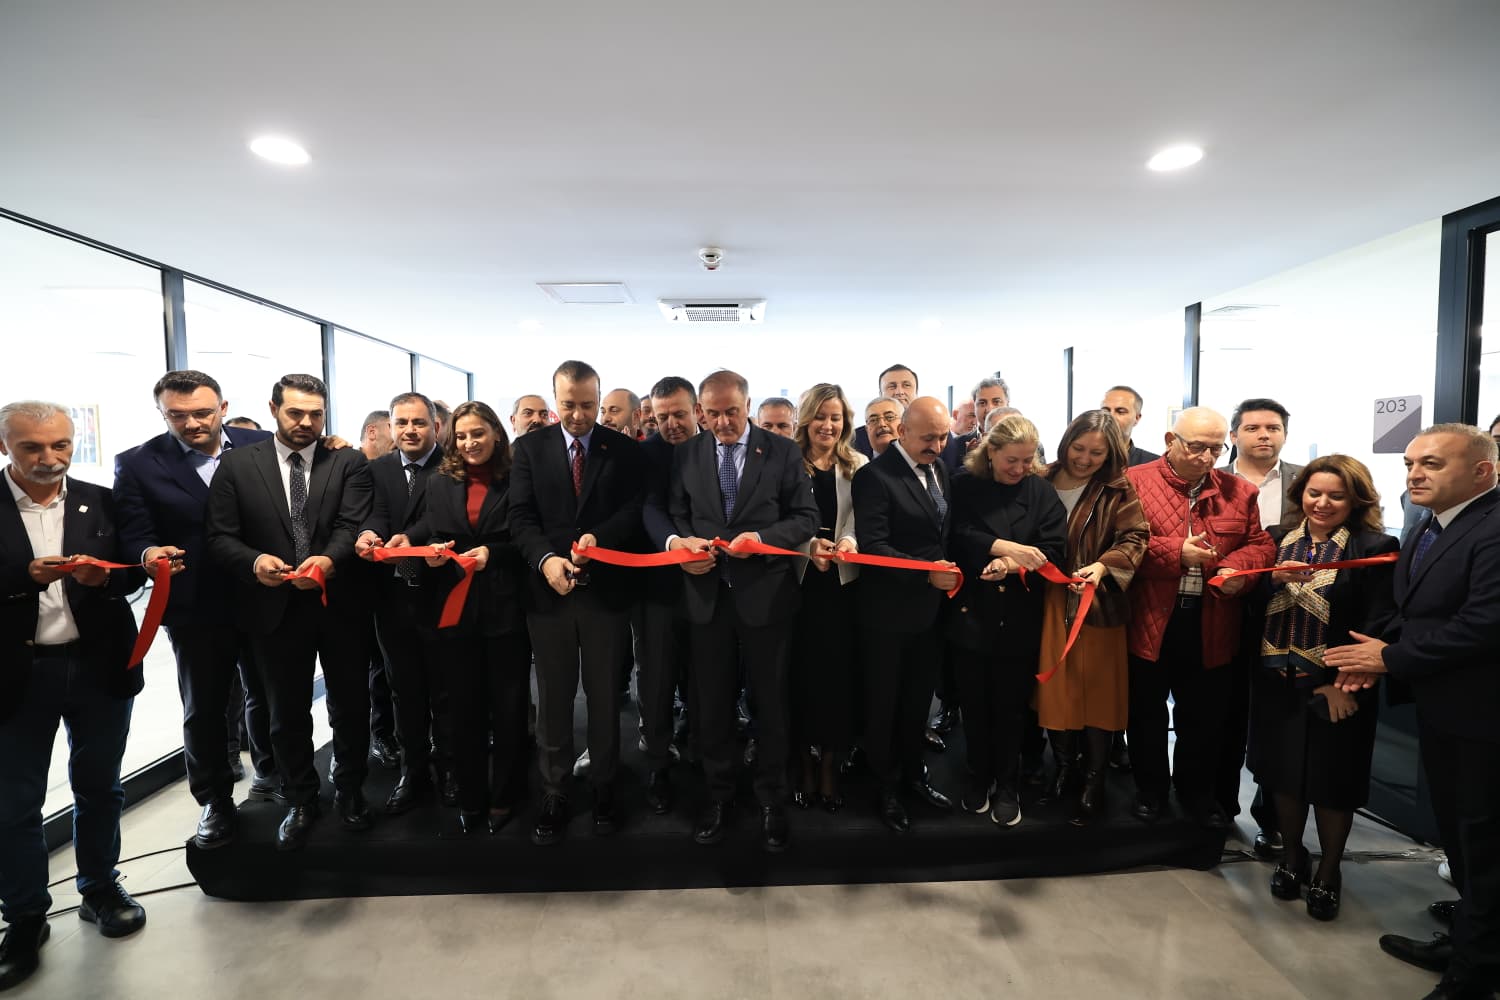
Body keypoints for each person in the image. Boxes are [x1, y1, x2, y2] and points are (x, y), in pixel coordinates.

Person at [1328, 424, 1500, 996]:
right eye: (1409, 463)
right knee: (1461, 836)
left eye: (1432, 463)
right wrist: (1374, 655)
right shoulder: (1431, 522)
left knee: (1482, 841)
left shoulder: (1494, 526)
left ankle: (1474, 975)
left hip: (1482, 715)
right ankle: (1471, 940)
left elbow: (1484, 624)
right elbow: (1416, 610)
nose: (1415, 474)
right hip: (1443, 707)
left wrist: (1390, 658)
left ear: (1482, 471)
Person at [0, 402, 150, 990]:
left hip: (97, 665)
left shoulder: (102, 500)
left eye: (60, 444)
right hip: (17, 673)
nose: (49, 458)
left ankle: (100, 889)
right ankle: (24, 917)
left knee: (99, 785)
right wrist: (23, 579)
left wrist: (107, 577)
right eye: (33, 447)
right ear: (5, 445)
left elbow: (133, 571)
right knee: (14, 802)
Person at [204, 374, 374, 850]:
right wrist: (255, 561)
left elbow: (351, 524)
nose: (305, 422)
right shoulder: (238, 465)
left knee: (350, 704)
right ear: (274, 409)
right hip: (272, 605)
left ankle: (351, 788)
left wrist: (327, 561)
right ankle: (300, 798)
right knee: (285, 711)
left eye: (315, 414)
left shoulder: (347, 461)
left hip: (337, 602)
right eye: (295, 412)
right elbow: (219, 535)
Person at [112, 370, 275, 849]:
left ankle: (275, 777)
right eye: (177, 415)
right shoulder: (137, 464)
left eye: (202, 413)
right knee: (204, 708)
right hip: (195, 604)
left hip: (264, 594)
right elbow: (133, 533)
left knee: (272, 695)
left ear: (223, 408)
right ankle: (214, 801)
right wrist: (148, 554)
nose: (192, 424)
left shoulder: (263, 444)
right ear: (161, 413)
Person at [667, 370, 817, 851]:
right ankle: (719, 795)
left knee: (770, 702)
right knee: (711, 703)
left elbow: (806, 518)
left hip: (767, 597)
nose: (722, 422)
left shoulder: (782, 451)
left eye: (731, 411)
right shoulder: (687, 453)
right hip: (707, 596)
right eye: (712, 414)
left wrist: (764, 539)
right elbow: (677, 513)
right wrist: (683, 542)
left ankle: (772, 798)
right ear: (701, 412)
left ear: (748, 406)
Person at [1245, 455, 1397, 921]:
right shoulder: (1275, 540)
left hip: (1336, 686)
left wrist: (1341, 685)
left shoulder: (1375, 547)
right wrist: (1272, 580)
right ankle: (1293, 858)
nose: (1323, 503)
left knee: (1333, 784)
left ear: (1356, 500)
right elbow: (1248, 605)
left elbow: (1377, 623)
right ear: (1301, 494)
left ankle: (1329, 871)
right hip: (1276, 683)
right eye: (1315, 493)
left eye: (1336, 495)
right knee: (1283, 777)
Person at [509, 360, 646, 845]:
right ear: (555, 400)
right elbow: (520, 517)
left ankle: (605, 784)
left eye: (588, 405)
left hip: (606, 592)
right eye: (569, 405)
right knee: (554, 696)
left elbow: (634, 510)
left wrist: (599, 540)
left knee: (605, 696)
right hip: (548, 593)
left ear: (600, 398)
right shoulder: (529, 449)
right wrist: (546, 560)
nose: (579, 415)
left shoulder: (622, 449)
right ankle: (555, 789)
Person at [1125, 406, 1274, 828]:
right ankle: (1150, 790)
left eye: (1215, 448)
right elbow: (1118, 544)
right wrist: (1176, 552)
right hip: (1149, 619)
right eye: (1196, 447)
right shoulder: (1133, 482)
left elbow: (1260, 545)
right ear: (1170, 441)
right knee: (1146, 713)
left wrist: (1235, 571)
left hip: (1212, 619)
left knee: (1203, 717)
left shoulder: (1238, 491)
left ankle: (1195, 794)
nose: (1206, 457)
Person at [405, 402, 531, 835]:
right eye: (461, 436)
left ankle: (506, 794)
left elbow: (529, 538)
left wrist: (494, 554)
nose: (469, 443)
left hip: (506, 606)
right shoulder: (440, 481)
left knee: (509, 707)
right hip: (455, 610)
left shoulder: (517, 477)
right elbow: (433, 531)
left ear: (496, 432)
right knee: (463, 709)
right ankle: (472, 795)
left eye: (477, 433)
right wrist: (432, 553)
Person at [946, 414, 1067, 827]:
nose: (1019, 468)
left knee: (1012, 708)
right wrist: (1005, 547)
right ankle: (977, 775)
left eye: (1027, 460)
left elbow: (1054, 549)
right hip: (970, 611)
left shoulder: (1041, 491)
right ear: (991, 452)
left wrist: (1011, 566)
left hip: (1019, 613)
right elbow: (955, 536)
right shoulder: (964, 484)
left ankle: (1007, 784)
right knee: (974, 705)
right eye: (1011, 460)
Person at [852, 396, 961, 833]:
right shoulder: (874, 477)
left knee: (918, 700)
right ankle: (885, 787)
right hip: (886, 613)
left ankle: (915, 775)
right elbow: (874, 547)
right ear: (902, 432)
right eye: (928, 437)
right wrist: (925, 574)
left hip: (930, 613)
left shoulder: (939, 469)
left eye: (943, 437)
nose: (937, 445)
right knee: (884, 704)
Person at [1035, 411, 1148, 824]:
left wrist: (1103, 567)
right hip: (1048, 600)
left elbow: (1137, 536)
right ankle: (1064, 768)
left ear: (1110, 453)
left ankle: (1094, 779)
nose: (1084, 459)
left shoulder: (1117, 487)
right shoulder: (1041, 478)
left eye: (1096, 453)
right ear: (1066, 442)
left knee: (1099, 692)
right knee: (1056, 690)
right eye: (1078, 448)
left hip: (1096, 603)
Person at [354, 391, 449, 814]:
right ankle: (413, 771)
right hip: (390, 598)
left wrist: (413, 538)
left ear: (435, 426)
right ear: (391, 427)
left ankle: (449, 768)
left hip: (441, 593)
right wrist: (369, 534)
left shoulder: (453, 465)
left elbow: (447, 517)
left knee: (445, 689)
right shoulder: (377, 469)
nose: (410, 430)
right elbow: (373, 512)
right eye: (402, 423)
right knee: (403, 690)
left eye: (419, 422)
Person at [1224, 396, 1305, 854]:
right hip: (1230, 607)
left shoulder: (1305, 482)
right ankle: (1220, 806)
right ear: (1234, 434)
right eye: (1253, 427)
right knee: (1228, 711)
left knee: (1278, 717)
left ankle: (1270, 818)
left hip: (1290, 612)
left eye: (1273, 428)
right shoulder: (1216, 482)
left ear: (1285, 435)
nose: (1264, 435)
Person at [789, 384, 865, 812]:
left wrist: (849, 541)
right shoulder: (786, 463)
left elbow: (861, 518)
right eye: (820, 416)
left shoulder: (858, 464)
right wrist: (807, 548)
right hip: (797, 585)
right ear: (806, 419)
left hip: (841, 586)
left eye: (835, 417)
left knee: (837, 679)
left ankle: (830, 765)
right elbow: (777, 521)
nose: (828, 425)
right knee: (798, 678)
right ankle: (803, 762)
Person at [637, 376, 700, 812]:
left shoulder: (717, 448)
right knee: (656, 680)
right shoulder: (645, 455)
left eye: (679, 414)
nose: (672, 424)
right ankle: (658, 764)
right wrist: (676, 545)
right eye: (662, 417)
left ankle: (702, 755)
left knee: (707, 678)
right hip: (658, 585)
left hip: (709, 583)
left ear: (697, 410)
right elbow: (649, 508)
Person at [853, 365, 919, 457]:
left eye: (906, 385)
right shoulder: (855, 440)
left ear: (916, 393)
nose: (899, 392)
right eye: (892, 386)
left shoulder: (935, 434)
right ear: (880, 394)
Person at [1102, 386, 1160, 467]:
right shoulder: (1086, 460)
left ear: (1137, 418)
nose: (1110, 416)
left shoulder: (1154, 465)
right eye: (1105, 411)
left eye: (1120, 412)